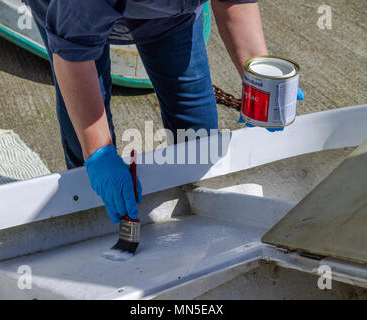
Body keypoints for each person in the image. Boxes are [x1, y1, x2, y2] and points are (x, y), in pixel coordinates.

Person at [23, 0, 303, 224]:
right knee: (86, 129)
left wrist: (262, 79)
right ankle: (90, 212)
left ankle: (198, 211)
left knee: (198, 135)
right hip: (70, 14)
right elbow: (74, 54)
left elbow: (235, 2)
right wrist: (98, 154)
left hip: (172, 17)